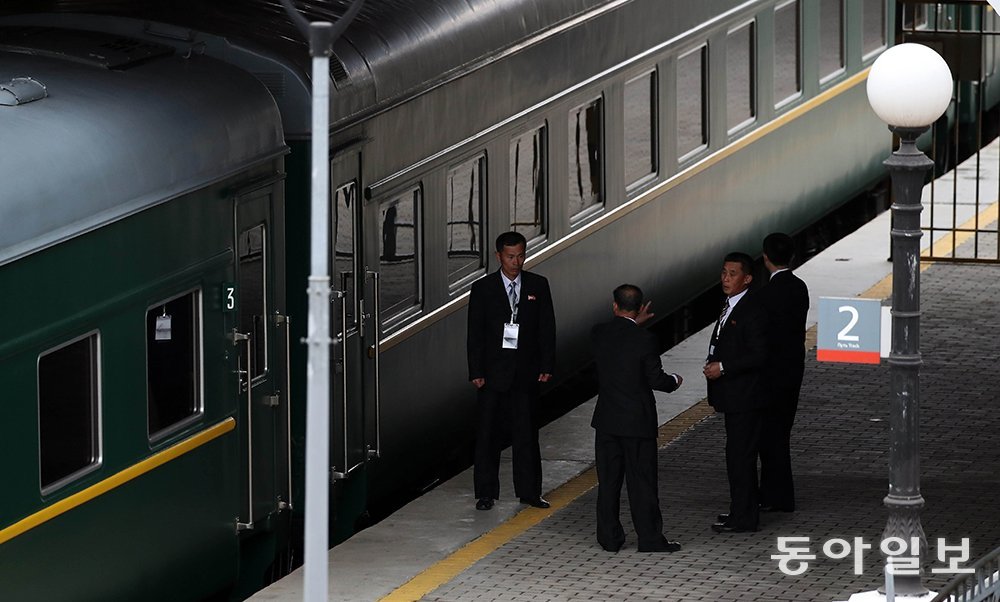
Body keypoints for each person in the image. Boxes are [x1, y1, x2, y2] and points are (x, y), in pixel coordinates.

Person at [590, 284, 683, 553]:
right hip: (637, 423)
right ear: (640, 308)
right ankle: (650, 539)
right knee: (641, 483)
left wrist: (631, 324)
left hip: (607, 421)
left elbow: (618, 339)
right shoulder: (645, 339)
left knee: (608, 483)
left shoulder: (598, 334)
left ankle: (609, 539)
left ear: (614, 305)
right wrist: (675, 381)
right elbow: (656, 379)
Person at [467, 231, 556, 511]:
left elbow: (547, 328)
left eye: (520, 255)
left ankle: (529, 492)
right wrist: (475, 370)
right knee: (487, 436)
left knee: (527, 434)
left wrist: (547, 365)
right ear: (498, 257)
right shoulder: (483, 289)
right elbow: (475, 334)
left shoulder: (538, 286)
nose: (516, 262)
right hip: (493, 374)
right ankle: (486, 493)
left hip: (526, 373)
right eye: (510, 256)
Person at [704, 252, 767, 533]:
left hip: (746, 397)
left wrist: (724, 367)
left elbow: (760, 354)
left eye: (732, 274)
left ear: (747, 278)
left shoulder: (752, 309)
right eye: (724, 273)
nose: (725, 279)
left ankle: (744, 517)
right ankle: (739, 510)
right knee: (736, 456)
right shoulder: (730, 304)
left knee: (740, 457)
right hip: (733, 397)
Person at [756, 233, 809, 513]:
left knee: (769, 437)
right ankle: (779, 495)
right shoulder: (800, 288)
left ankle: (775, 496)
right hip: (792, 371)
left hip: (770, 375)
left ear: (765, 258)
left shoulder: (764, 296)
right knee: (781, 433)